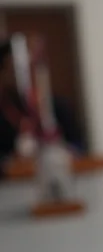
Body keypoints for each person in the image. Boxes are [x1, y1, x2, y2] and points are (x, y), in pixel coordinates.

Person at [0, 38, 83, 171]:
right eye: (15, 69)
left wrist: (66, 153)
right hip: (14, 180)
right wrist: (10, 161)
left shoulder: (58, 105)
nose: (24, 75)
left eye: (29, 67)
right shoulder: (4, 111)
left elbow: (79, 145)